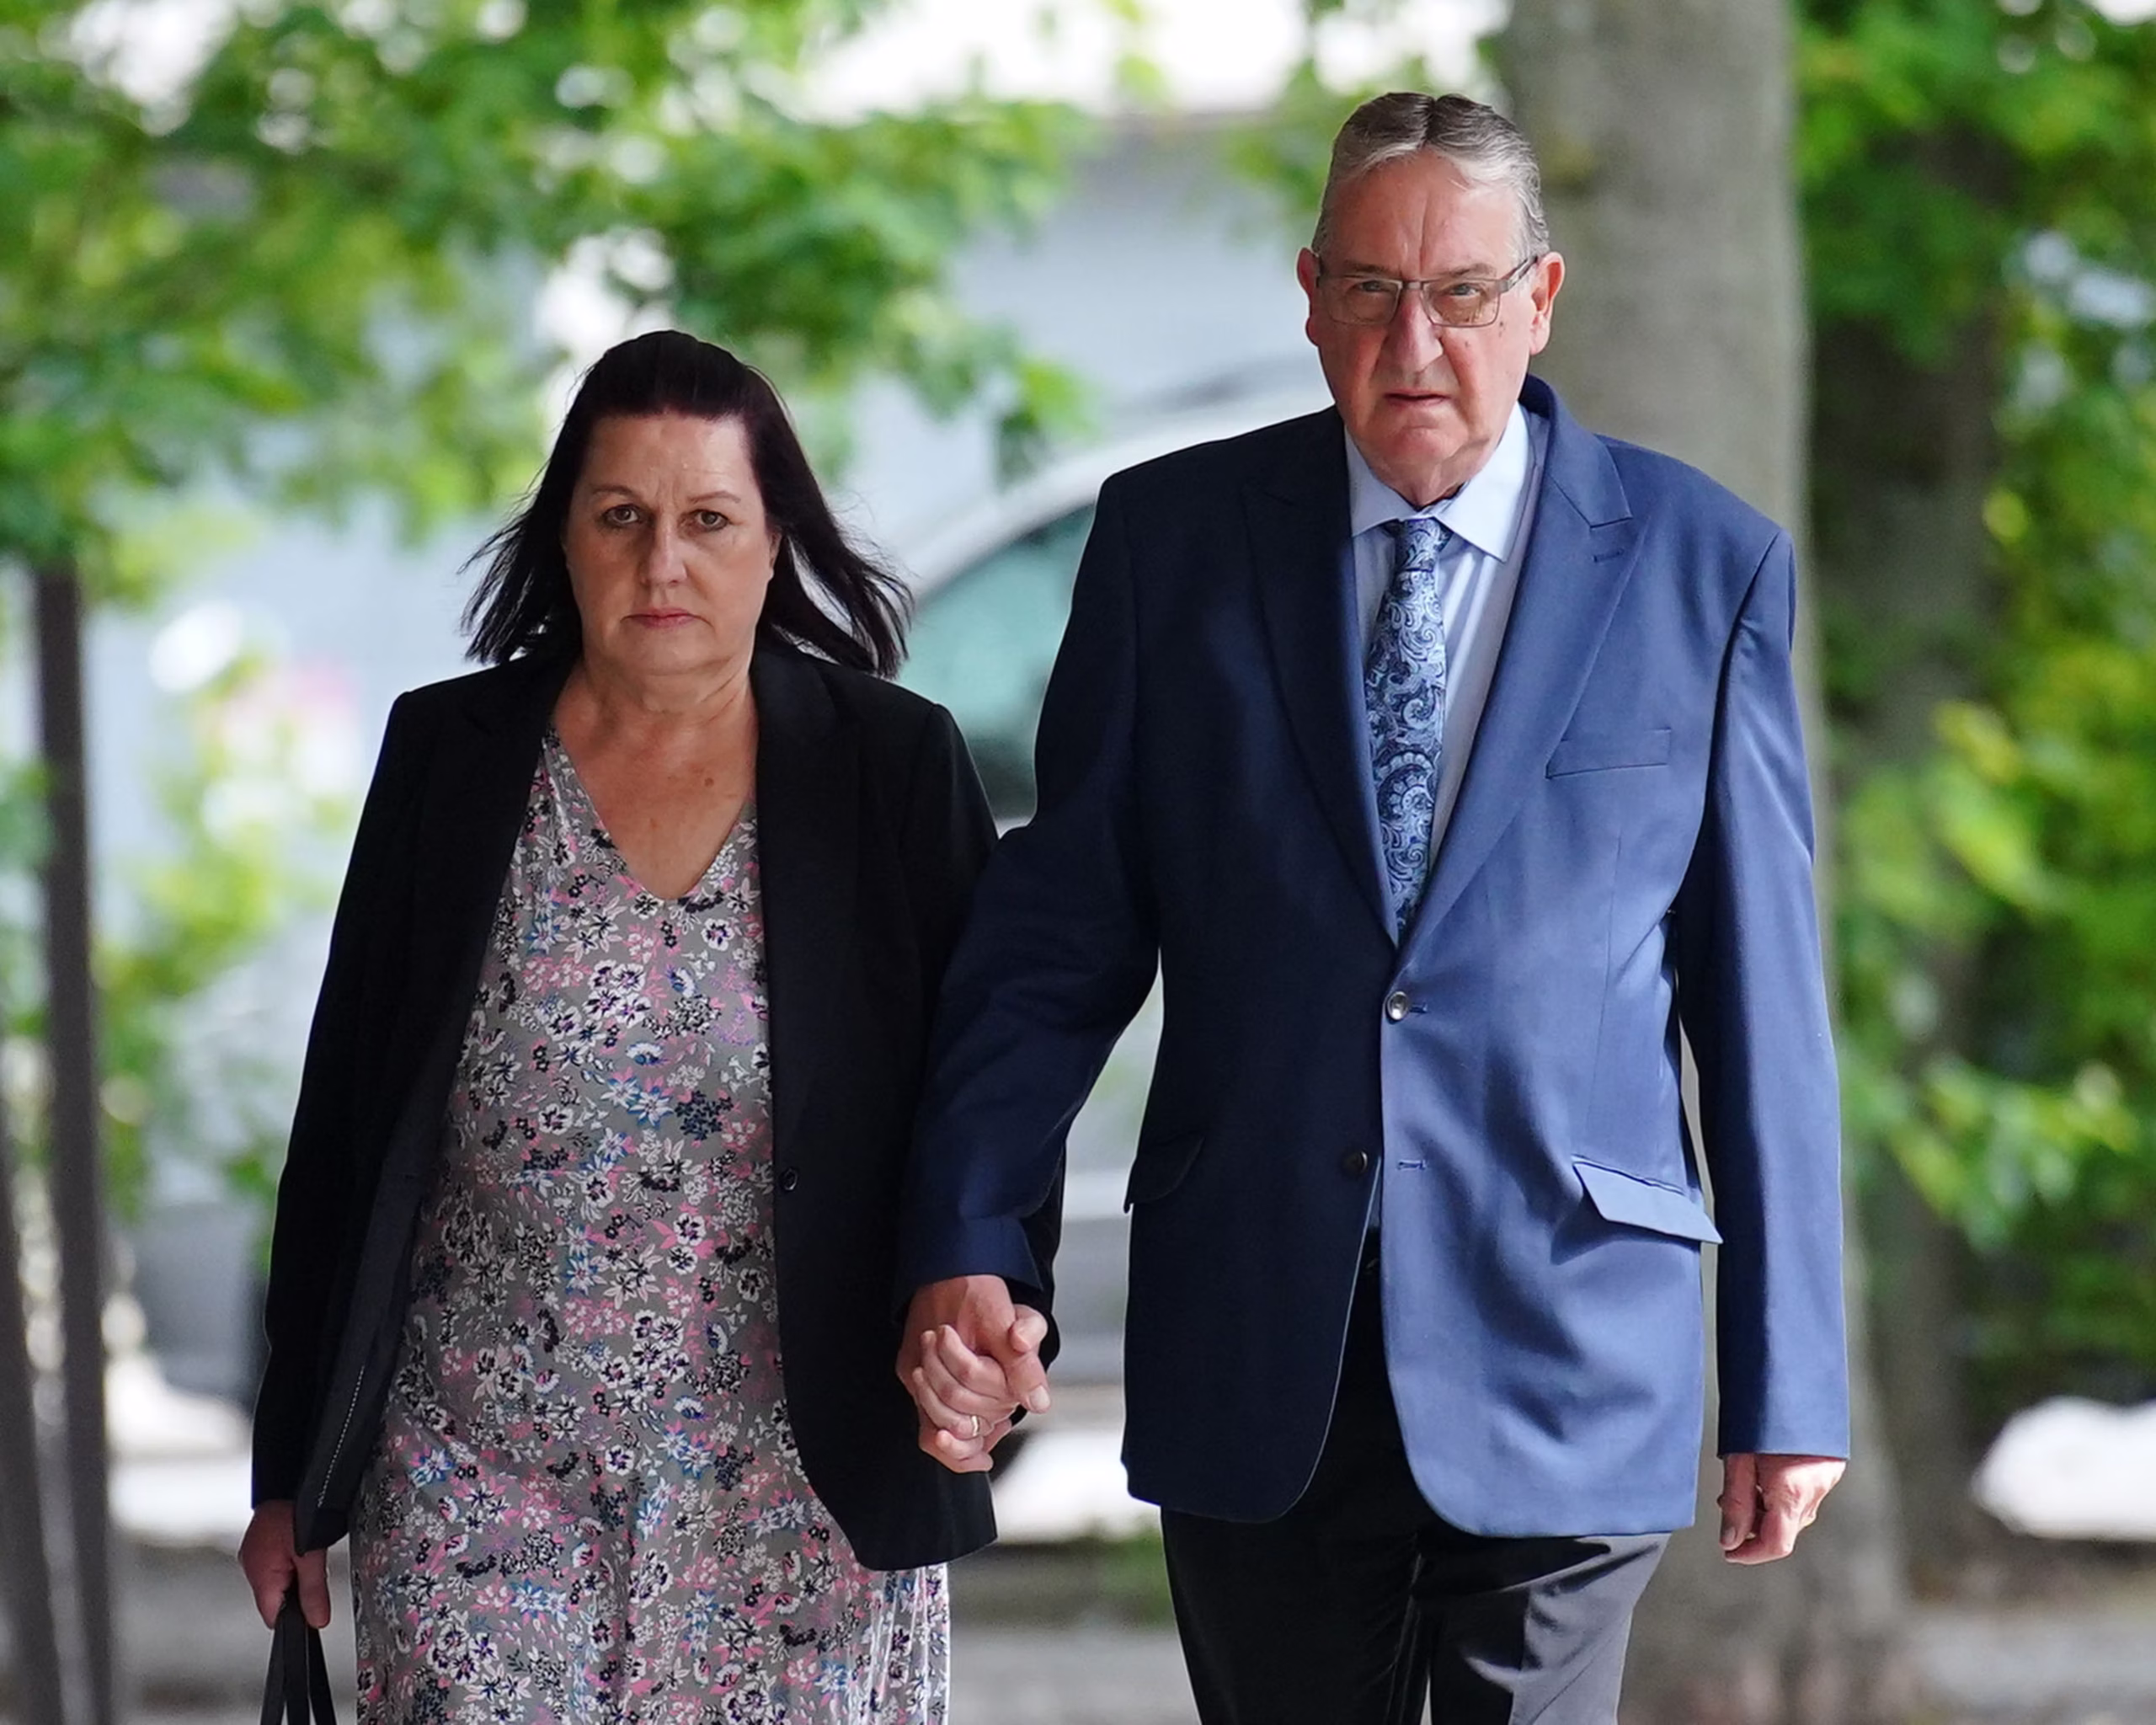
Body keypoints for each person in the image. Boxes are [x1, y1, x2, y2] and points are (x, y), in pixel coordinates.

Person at [894, 92, 1849, 1724]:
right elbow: (1059, 941)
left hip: (1566, 1331)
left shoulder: (1701, 568)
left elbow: (1756, 1003)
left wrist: (1784, 1373)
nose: (1416, 340)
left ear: (1537, 299)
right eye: (1369, 290)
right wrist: (970, 1236)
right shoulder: (1170, 545)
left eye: (1461, 291)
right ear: (1309, 293)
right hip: (1259, 1325)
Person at [237, 328, 1022, 1722]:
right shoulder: (451, 758)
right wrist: (290, 1470)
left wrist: (997, 1314)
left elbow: (989, 1107)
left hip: (798, 1485)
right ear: (567, 541)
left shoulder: (894, 769)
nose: (665, 563)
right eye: (622, 518)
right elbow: (348, 1128)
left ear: (776, 540)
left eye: (708, 520)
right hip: (475, 1473)